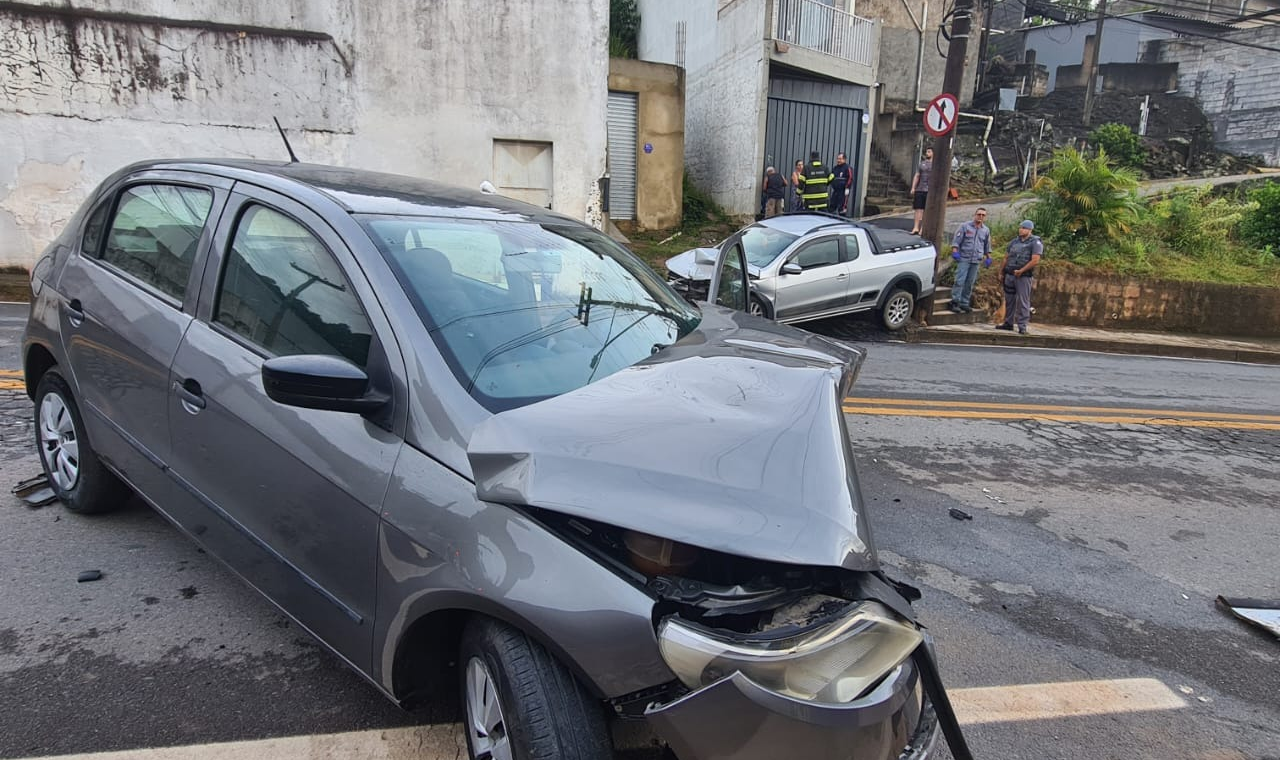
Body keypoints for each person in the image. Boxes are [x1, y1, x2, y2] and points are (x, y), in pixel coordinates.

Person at [996, 220, 1043, 334]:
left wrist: (1021, 270)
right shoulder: (1014, 242)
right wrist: (1001, 272)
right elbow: (1006, 258)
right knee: (1009, 300)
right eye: (1020, 227)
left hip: (1023, 276)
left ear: (1030, 230)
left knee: (1023, 301)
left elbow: (1035, 260)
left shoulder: (1035, 242)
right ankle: (1008, 323)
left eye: (1024, 228)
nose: (1021, 230)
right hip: (1010, 275)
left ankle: (1022, 326)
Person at [949, 207, 992, 313]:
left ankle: (964, 302)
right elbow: (957, 240)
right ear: (975, 215)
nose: (980, 217)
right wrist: (955, 251)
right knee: (960, 280)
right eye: (979, 214)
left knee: (970, 282)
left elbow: (987, 245)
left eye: (983, 215)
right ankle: (955, 301)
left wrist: (988, 257)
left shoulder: (985, 230)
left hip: (976, 260)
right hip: (964, 257)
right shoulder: (965, 226)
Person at [909, 147, 933, 235]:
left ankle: (923, 229)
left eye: (929, 152)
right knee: (918, 209)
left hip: (929, 190)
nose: (927, 153)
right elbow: (917, 175)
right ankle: (915, 227)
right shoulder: (922, 164)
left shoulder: (936, 165)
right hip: (920, 189)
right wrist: (913, 187)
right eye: (927, 151)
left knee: (926, 210)